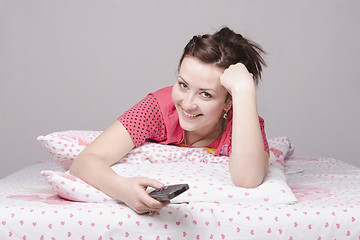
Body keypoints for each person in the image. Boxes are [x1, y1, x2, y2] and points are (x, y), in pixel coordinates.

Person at [69, 27, 270, 214]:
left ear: (229, 102)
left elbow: (247, 179)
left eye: (206, 95)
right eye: (183, 85)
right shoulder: (157, 108)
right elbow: (85, 161)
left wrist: (244, 90)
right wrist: (122, 189)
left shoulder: (243, 119)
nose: (188, 104)